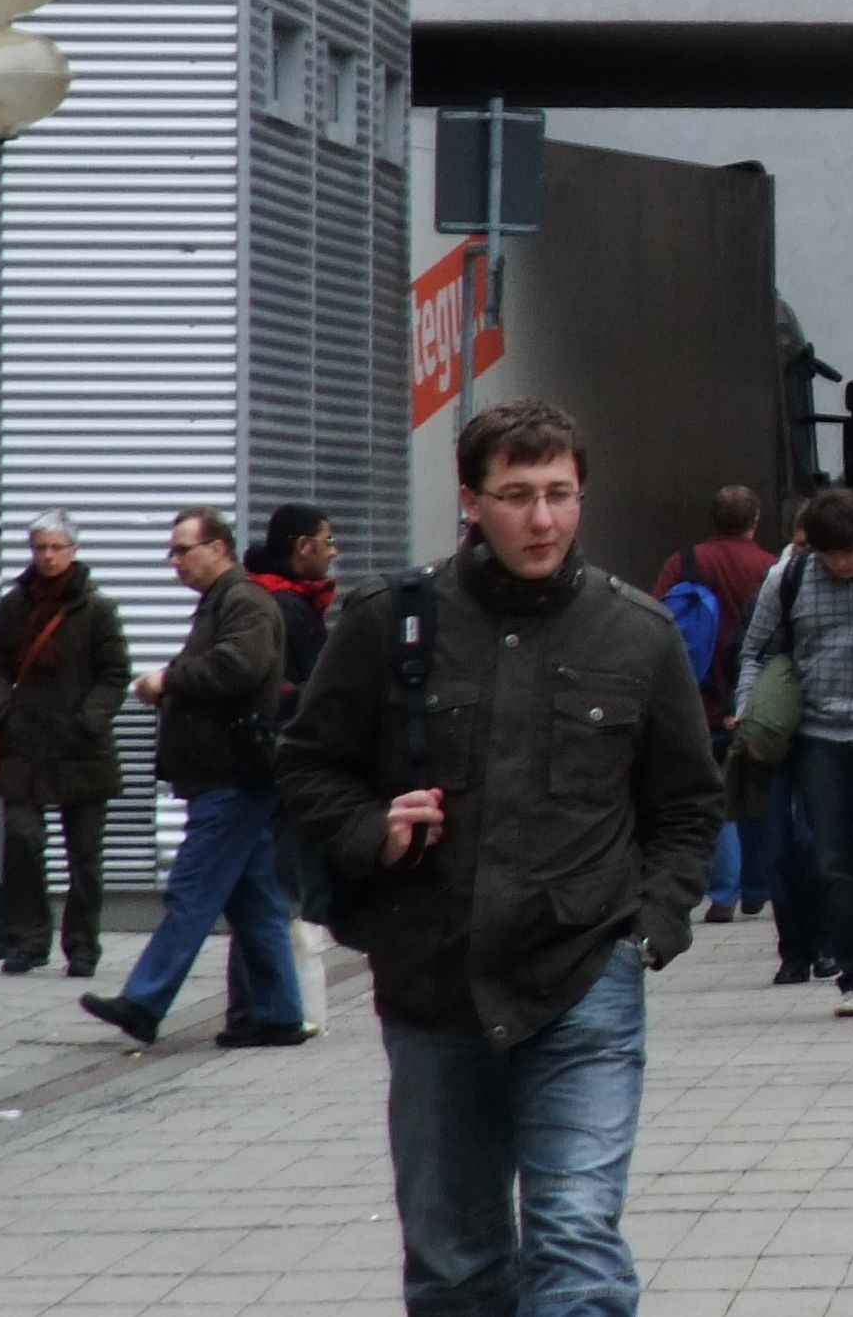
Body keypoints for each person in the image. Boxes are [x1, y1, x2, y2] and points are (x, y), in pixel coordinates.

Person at [278, 397, 715, 1316]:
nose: (543, 518)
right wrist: (372, 829)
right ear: (471, 501)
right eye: (518, 495)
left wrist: (653, 925)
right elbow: (308, 768)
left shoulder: (636, 634)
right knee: (456, 1264)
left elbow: (687, 803)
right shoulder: (389, 623)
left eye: (560, 494)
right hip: (434, 979)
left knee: (576, 1239)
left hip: (583, 971)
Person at [82, 509, 304, 1049]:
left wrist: (169, 680)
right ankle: (278, 1014)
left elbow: (241, 666)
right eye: (173, 552)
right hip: (226, 776)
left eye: (184, 549)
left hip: (231, 776)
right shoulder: (223, 602)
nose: (175, 561)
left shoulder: (244, 600)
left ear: (219, 548)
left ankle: (144, 1000)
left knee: (193, 892)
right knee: (253, 901)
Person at [730, 487, 853, 1017]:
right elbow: (754, 651)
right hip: (818, 736)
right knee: (833, 860)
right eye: (830, 555)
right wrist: (751, 714)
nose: (842, 564)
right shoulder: (790, 578)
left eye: (851, 552)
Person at [0, 510, 130, 979]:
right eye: (40, 548)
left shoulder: (97, 608)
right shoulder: (14, 605)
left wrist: (91, 717)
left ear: (73, 551)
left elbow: (115, 672)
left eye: (56, 547)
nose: (47, 556)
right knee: (23, 841)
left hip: (82, 748)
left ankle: (82, 946)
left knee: (83, 855)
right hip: (24, 744)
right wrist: (1, 707)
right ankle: (28, 940)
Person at [651, 486, 777, 924]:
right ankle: (757, 887)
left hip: (695, 695)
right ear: (755, 519)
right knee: (754, 789)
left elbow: (658, 624)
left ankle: (723, 890)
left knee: (715, 791)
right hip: (750, 699)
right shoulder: (770, 568)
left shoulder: (684, 563)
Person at [236, 505, 340, 1034]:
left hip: (277, 763)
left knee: (266, 888)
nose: (334, 548)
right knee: (276, 890)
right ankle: (275, 1006)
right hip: (282, 767)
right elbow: (302, 692)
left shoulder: (282, 601)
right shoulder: (285, 607)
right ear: (303, 547)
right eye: (327, 539)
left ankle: (267, 1005)